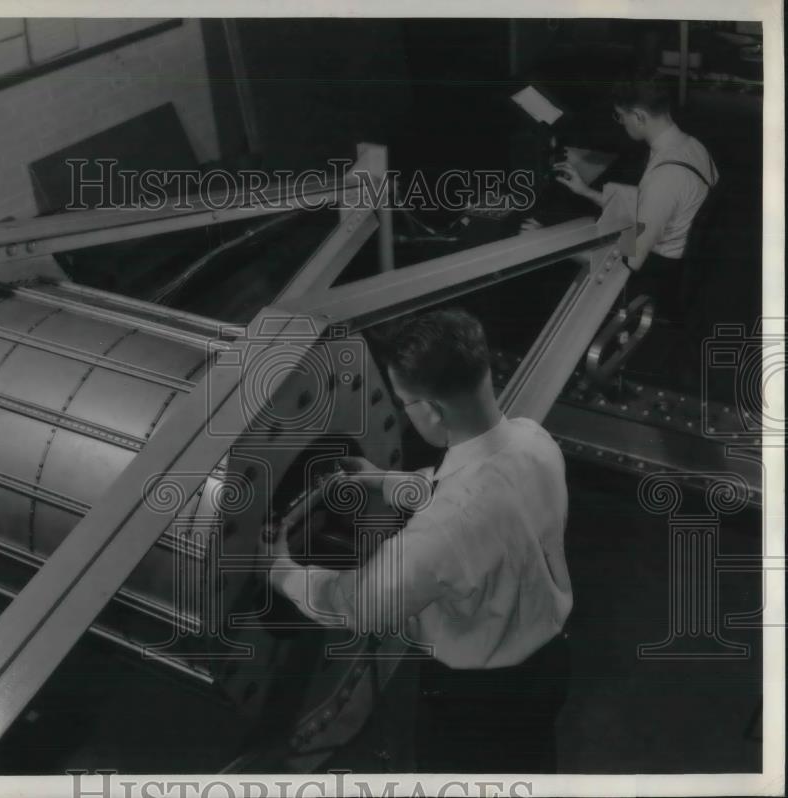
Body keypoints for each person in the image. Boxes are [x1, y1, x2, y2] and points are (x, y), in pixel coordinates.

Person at [268, 308, 573, 773]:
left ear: (431, 409)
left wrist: (281, 571)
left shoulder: (438, 533)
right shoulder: (535, 440)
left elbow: (357, 604)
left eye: (405, 402)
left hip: (477, 702)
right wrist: (384, 480)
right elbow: (475, 492)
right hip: (549, 664)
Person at [544, 76, 719, 321]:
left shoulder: (664, 178)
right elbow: (652, 209)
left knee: (554, 260)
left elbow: (629, 261)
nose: (620, 123)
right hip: (672, 251)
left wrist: (550, 247)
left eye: (620, 116)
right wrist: (585, 192)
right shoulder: (693, 146)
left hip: (657, 269)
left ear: (639, 116)